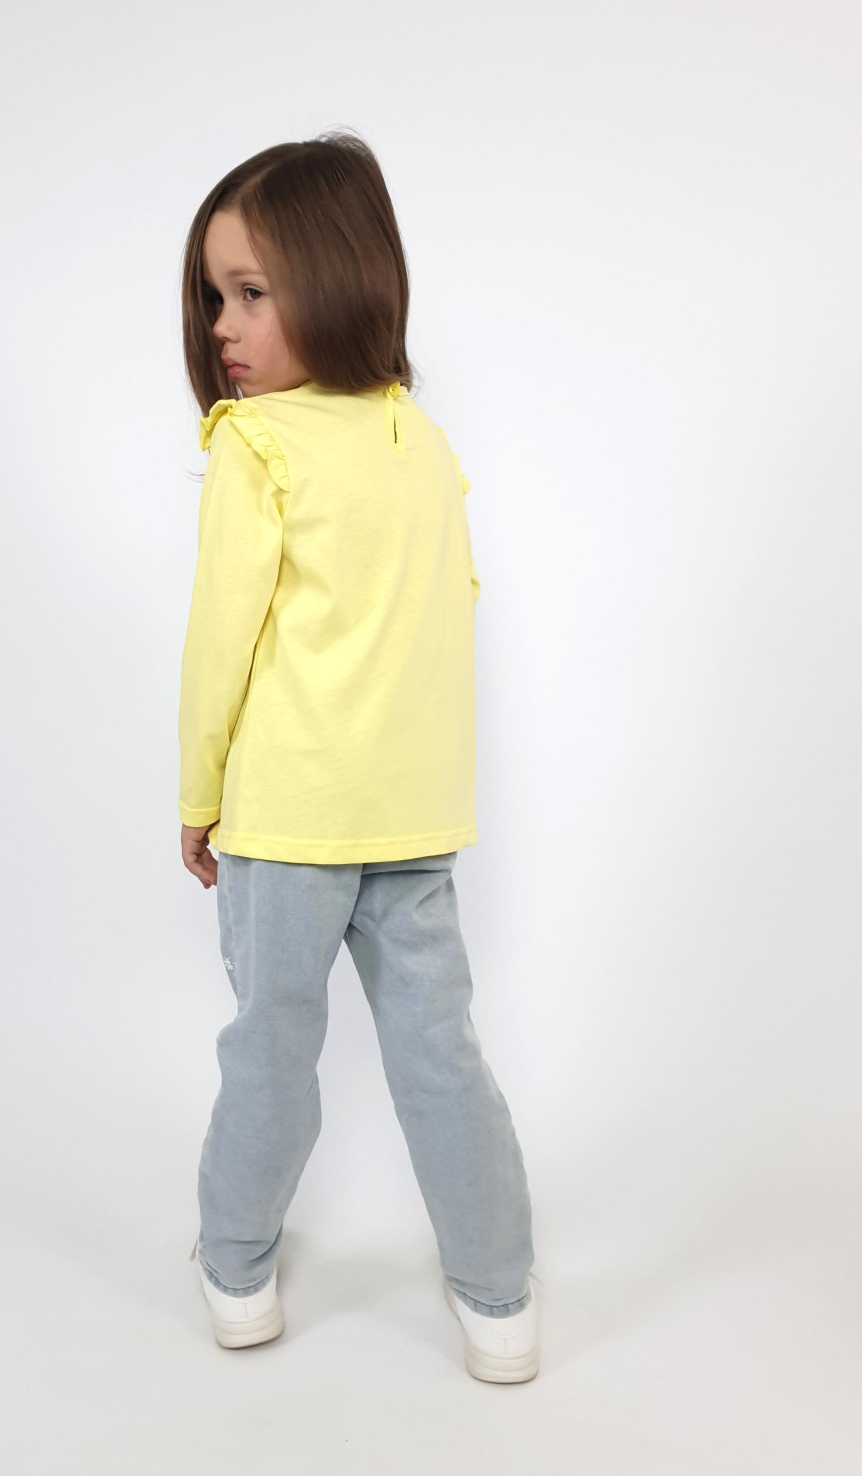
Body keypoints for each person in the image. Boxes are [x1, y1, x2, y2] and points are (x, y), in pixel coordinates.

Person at [176, 129, 539, 1383]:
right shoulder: (414, 438)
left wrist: (197, 795)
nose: (223, 326)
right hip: (411, 820)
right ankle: (498, 1298)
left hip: (285, 820)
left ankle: (236, 1272)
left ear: (337, 277)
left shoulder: (254, 444)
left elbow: (219, 641)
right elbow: (450, 614)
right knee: (440, 1057)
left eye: (250, 292)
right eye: (214, 296)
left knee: (270, 1050)